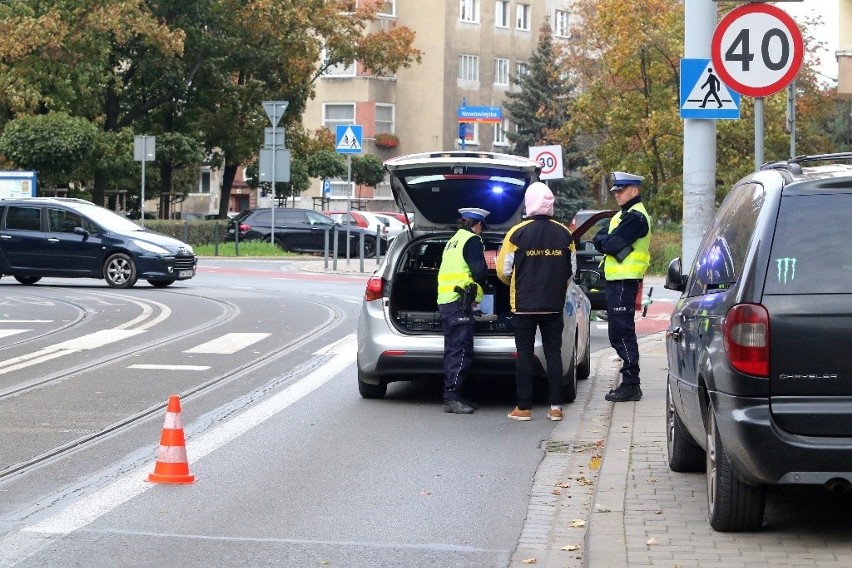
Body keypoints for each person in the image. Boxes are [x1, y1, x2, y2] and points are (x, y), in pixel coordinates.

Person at [496, 182, 576, 421]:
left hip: (523, 305)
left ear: (529, 203)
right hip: (553, 305)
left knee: (524, 354)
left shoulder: (516, 234)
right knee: (553, 354)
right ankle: (555, 408)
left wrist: (517, 283)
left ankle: (524, 407)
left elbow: (503, 270)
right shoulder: (565, 234)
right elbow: (570, 271)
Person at [593, 171, 651, 402]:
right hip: (618, 281)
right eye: (615, 191)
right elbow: (600, 239)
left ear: (634, 191)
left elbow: (610, 243)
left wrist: (606, 242)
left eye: (621, 190)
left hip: (625, 281)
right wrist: (605, 242)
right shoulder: (624, 215)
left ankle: (631, 384)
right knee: (618, 331)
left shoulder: (635, 217)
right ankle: (629, 382)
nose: (616, 194)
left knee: (622, 332)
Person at [437, 207, 490, 414]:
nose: (481, 232)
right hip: (459, 301)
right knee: (460, 350)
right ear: (477, 225)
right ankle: (451, 397)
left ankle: (455, 395)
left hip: (447, 299)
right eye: (481, 228)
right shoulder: (471, 240)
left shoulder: (453, 241)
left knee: (452, 349)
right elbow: (479, 271)